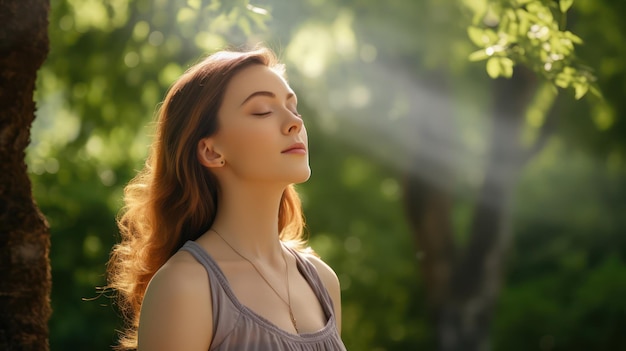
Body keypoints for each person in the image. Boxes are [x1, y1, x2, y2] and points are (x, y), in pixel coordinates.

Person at [106, 45, 346, 351]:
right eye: (262, 111)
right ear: (211, 151)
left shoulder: (323, 281)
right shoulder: (185, 286)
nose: (295, 123)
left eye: (294, 108)